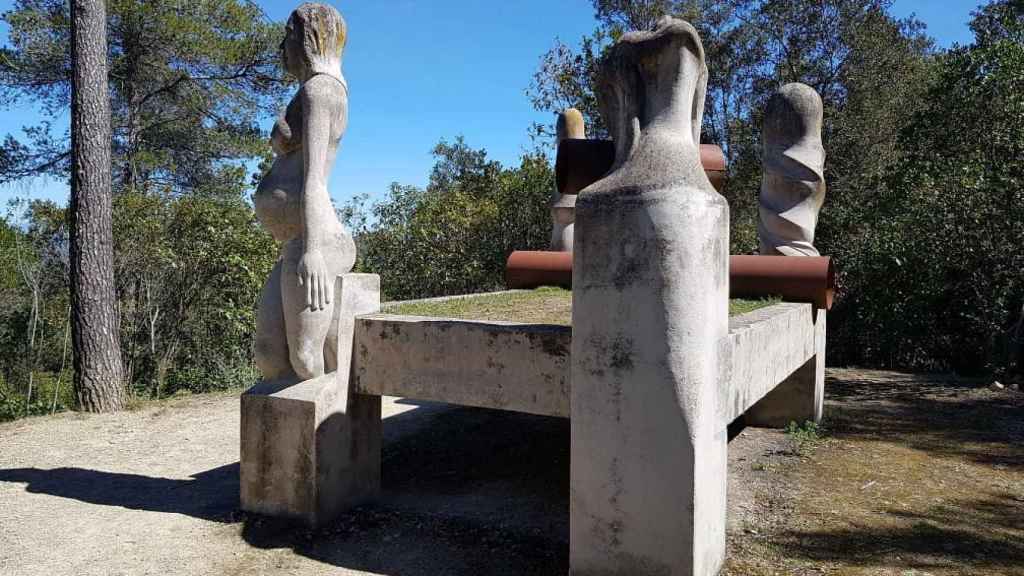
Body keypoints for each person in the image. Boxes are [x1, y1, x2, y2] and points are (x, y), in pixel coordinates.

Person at [253, 3, 356, 382]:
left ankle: (326, 436)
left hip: (314, 241)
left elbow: (314, 179)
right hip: (293, 244)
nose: (282, 45)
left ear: (307, 39)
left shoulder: (321, 90)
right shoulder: (309, 91)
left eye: (288, 36)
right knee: (268, 352)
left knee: (305, 357)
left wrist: (313, 252)